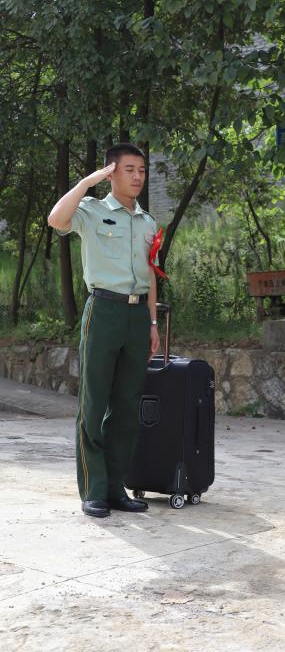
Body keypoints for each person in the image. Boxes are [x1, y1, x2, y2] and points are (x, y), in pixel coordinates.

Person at [48, 143, 160, 518]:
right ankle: (93, 490)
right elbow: (55, 219)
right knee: (94, 403)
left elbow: (150, 274)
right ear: (112, 172)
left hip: (136, 317)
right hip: (104, 311)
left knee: (127, 406)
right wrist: (87, 181)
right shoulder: (92, 211)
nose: (137, 177)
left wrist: (153, 322)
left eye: (141, 170)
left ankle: (116, 488)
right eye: (129, 169)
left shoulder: (147, 222)